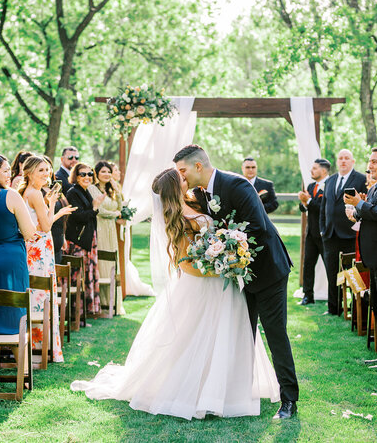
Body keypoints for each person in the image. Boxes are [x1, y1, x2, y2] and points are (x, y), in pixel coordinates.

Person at [71, 168, 280, 419]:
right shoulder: (177, 217)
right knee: (197, 337)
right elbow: (185, 263)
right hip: (203, 284)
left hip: (221, 281)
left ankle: (225, 387)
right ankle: (196, 389)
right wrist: (221, 266)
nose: (186, 178)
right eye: (181, 178)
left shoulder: (196, 200)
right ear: (174, 187)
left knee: (224, 334)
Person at [174, 145, 298, 420]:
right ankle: (239, 393)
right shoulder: (201, 194)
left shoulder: (237, 185)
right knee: (243, 333)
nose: (181, 177)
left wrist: (219, 246)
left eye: (182, 170)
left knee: (275, 334)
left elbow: (258, 227)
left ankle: (289, 400)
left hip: (268, 271)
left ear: (197, 166)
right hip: (237, 275)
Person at [344, 146, 377, 369]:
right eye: (370, 161)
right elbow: (370, 212)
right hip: (373, 256)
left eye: (375, 162)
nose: (369, 166)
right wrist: (356, 211)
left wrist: (360, 205)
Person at [19, 156, 74, 362]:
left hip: (37, 246)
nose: (46, 174)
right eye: (41, 170)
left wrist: (50, 203)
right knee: (41, 293)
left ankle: (38, 346)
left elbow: (43, 223)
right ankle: (41, 348)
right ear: (30, 172)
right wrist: (54, 207)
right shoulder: (33, 193)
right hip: (39, 248)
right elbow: (47, 226)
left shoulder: (28, 192)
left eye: (47, 170)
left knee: (37, 292)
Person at [319, 149, 366, 315]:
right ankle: (334, 308)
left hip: (350, 234)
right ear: (337, 162)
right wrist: (323, 230)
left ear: (352, 161)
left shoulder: (361, 179)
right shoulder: (330, 180)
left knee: (352, 273)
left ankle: (356, 309)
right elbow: (324, 206)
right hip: (330, 235)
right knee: (332, 273)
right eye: (340, 158)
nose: (343, 161)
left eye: (347, 158)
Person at [0, 153, 36, 335]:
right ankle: (13, 350)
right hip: (11, 259)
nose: (9, 175)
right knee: (14, 305)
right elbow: (29, 232)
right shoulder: (10, 196)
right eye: (5, 171)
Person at [65, 163, 105, 315]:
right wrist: (94, 207)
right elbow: (78, 216)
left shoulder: (85, 191)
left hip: (88, 240)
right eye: (83, 174)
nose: (87, 177)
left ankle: (87, 312)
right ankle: (77, 314)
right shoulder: (73, 193)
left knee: (88, 275)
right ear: (76, 176)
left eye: (89, 174)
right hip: (79, 242)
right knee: (79, 277)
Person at [88, 161, 125, 315]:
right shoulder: (92, 188)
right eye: (103, 171)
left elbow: (120, 208)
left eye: (109, 172)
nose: (107, 174)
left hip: (111, 230)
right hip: (100, 227)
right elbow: (101, 211)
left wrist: (117, 191)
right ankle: (101, 304)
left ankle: (114, 304)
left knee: (112, 262)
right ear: (96, 173)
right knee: (102, 263)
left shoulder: (112, 190)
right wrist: (114, 214)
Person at [298, 158, 330, 305]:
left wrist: (309, 201)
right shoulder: (310, 186)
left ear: (323, 171)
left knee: (330, 266)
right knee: (308, 265)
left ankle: (334, 297)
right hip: (311, 233)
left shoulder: (330, 185)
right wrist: (304, 203)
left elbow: (324, 208)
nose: (311, 171)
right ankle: (308, 295)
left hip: (325, 233)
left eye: (315, 168)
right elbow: (303, 208)